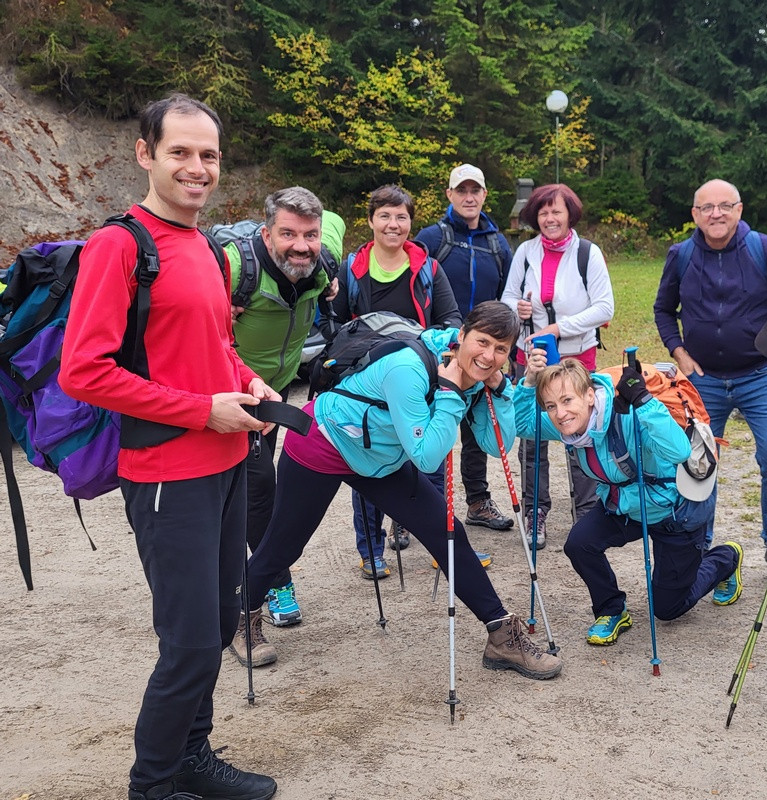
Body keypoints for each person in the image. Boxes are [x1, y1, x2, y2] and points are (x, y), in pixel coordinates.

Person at [60, 94, 279, 800]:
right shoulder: (119, 246)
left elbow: (215, 343)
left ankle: (192, 757)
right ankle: (151, 786)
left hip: (225, 464)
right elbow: (84, 371)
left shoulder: (209, 248)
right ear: (145, 154)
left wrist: (247, 384)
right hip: (164, 472)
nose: (196, 167)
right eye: (179, 151)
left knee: (216, 625)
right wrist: (200, 411)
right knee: (186, 644)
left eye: (208, 154)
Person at [243, 301, 561, 680]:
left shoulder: (482, 375)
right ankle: (238, 616)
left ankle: (501, 636)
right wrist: (447, 391)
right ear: (461, 337)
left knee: (446, 532)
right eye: (482, 342)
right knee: (283, 547)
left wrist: (502, 388)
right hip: (325, 441)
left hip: (380, 458)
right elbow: (427, 459)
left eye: (501, 349)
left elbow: (496, 444)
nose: (489, 356)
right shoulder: (409, 368)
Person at [653, 179, 767, 591]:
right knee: (696, 465)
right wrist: (679, 352)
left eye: (724, 206)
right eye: (706, 208)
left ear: (739, 209)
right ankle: (699, 547)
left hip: (759, 375)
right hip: (703, 380)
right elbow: (662, 309)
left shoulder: (766, 249)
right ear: (694, 215)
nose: (716, 214)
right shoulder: (682, 255)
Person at [515, 355, 743, 644]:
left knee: (668, 608)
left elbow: (680, 451)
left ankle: (727, 558)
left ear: (588, 396)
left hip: (674, 511)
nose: (560, 414)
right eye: (550, 406)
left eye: (567, 401)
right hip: (625, 506)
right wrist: (529, 382)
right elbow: (524, 425)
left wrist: (644, 402)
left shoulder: (628, 415)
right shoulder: (572, 424)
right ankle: (612, 609)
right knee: (579, 544)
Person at [223, 188, 343, 668]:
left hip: (275, 398)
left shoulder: (323, 261)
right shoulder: (234, 267)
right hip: (227, 395)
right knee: (252, 492)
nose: (301, 245)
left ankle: (260, 582)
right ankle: (261, 591)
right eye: (288, 233)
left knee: (253, 492)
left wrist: (330, 283)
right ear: (265, 231)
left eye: (309, 235)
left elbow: (332, 219)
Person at [330, 184, 474, 577]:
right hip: (368, 387)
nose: (393, 224)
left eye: (401, 217)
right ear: (372, 220)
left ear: (411, 222)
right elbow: (336, 326)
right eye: (385, 216)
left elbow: (452, 321)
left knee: (430, 461)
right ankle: (371, 550)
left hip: (418, 377)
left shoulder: (428, 268)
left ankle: (439, 542)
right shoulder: (352, 268)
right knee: (368, 461)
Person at [500, 183, 614, 548]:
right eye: (543, 212)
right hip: (531, 357)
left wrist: (558, 328)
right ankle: (537, 512)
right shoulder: (526, 252)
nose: (549, 218)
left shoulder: (587, 253)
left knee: (581, 432)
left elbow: (604, 308)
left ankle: (589, 512)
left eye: (557, 211)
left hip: (576, 358)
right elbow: (508, 298)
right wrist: (516, 309)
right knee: (533, 438)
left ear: (570, 215)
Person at [415, 164, 514, 532]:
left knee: (477, 428)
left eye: (476, 191)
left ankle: (477, 502)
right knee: (429, 428)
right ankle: (416, 508)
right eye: (462, 191)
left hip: (486, 352)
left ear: (485, 195)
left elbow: (507, 294)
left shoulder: (497, 243)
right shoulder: (432, 237)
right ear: (450, 195)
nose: (469, 197)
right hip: (442, 350)